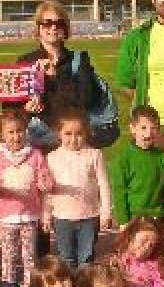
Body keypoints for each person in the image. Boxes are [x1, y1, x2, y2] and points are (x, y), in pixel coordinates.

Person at [10, 0, 115, 150]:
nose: (53, 27)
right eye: (47, 23)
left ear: (65, 28)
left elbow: (87, 99)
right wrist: (26, 109)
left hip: (73, 141)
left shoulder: (79, 60)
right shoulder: (25, 62)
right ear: (38, 28)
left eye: (59, 23)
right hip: (37, 143)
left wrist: (56, 77)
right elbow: (10, 109)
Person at [0, 109, 52, 287]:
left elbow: (44, 182)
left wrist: (45, 184)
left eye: (20, 131)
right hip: (7, 218)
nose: (16, 136)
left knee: (30, 258)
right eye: (11, 132)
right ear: (1, 134)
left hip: (30, 216)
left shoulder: (36, 155)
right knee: (9, 258)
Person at [45, 109, 113, 268]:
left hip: (89, 216)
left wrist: (106, 212)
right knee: (66, 258)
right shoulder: (52, 157)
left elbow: (103, 184)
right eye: (68, 133)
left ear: (86, 133)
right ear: (59, 134)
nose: (73, 139)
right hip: (62, 216)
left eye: (79, 133)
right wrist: (46, 214)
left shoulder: (94, 155)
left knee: (86, 257)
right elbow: (47, 190)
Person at [108, 105, 164, 235]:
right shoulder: (123, 159)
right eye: (143, 128)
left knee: (159, 253)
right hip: (135, 218)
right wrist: (123, 222)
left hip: (159, 216)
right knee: (135, 253)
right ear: (133, 129)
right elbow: (119, 193)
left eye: (154, 128)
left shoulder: (163, 157)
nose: (149, 133)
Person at [110, 217, 164, 287]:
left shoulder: (154, 266)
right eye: (143, 241)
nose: (147, 247)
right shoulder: (117, 260)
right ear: (130, 238)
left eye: (151, 245)